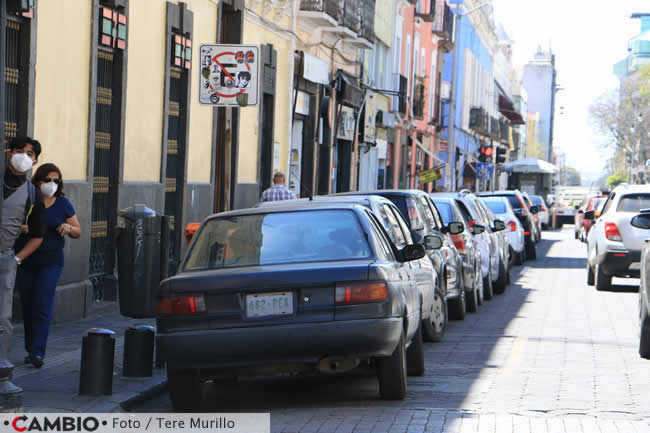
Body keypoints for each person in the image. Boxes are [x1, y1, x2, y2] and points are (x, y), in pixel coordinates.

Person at [15, 163, 80, 368]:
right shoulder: (28, 200)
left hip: (51, 261)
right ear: (38, 180)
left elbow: (78, 231)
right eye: (47, 180)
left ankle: (37, 352)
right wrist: (22, 227)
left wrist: (69, 228)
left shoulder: (63, 204)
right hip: (26, 260)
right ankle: (30, 349)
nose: (51, 184)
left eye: (56, 180)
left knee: (42, 304)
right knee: (27, 305)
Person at [0, 136, 46, 373]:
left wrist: (16, 260)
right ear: (9, 153)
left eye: (29, 154)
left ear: (35, 161)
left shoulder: (33, 194)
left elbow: (38, 236)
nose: (23, 157)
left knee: (2, 317)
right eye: (19, 151)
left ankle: (1, 365)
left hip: (5, 258)